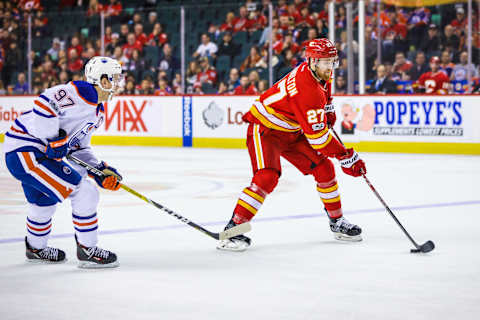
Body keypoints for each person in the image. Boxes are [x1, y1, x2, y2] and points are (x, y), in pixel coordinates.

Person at [217, 38, 366, 251]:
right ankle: (233, 230)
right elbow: (319, 139)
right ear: (313, 61)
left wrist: (329, 108)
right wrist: (346, 156)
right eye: (327, 62)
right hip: (265, 129)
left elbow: (326, 93)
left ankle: (337, 222)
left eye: (333, 61)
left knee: (324, 169)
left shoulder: (321, 70)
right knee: (267, 177)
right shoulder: (307, 90)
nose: (331, 67)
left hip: (292, 131)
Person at [3, 57, 124, 268]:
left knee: (43, 202)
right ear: (102, 80)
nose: (118, 82)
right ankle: (88, 249)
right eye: (114, 78)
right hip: (26, 152)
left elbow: (78, 148)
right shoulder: (81, 92)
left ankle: (36, 248)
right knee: (85, 192)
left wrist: (99, 170)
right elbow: (43, 103)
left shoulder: (98, 110)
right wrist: (52, 137)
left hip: (28, 154)